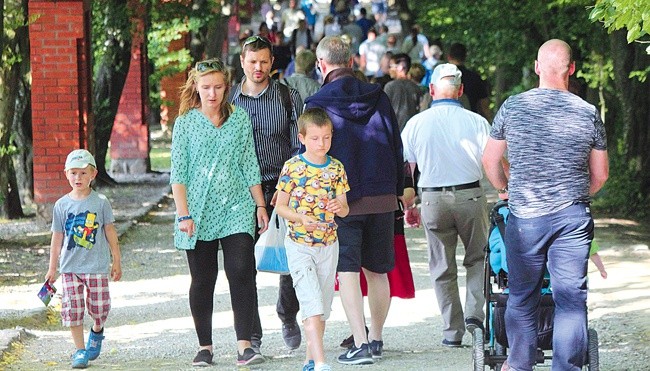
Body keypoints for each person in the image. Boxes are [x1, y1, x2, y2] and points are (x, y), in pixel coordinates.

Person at [482, 39, 609, 371]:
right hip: (572, 219)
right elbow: (601, 174)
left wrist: (503, 189)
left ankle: (520, 364)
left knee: (522, 297)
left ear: (537, 68)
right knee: (571, 301)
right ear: (571, 69)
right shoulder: (588, 113)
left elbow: (491, 159)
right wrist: (578, 193)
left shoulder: (512, 107)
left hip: (525, 218)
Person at [305, 35, 404, 365]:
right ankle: (376, 338)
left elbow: (315, 152)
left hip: (341, 199)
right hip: (381, 195)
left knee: (347, 270)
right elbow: (395, 143)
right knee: (378, 270)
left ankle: (360, 343)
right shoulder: (380, 96)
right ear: (352, 61)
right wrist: (399, 188)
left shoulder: (317, 102)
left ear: (322, 64)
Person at [170, 58, 269, 367]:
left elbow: (249, 163)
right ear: (196, 88)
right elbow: (178, 173)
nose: (211, 94)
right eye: (205, 88)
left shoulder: (239, 118)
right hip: (197, 211)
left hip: (237, 207)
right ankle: (205, 347)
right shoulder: (185, 123)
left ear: (227, 87)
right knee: (203, 280)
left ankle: (245, 346)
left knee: (241, 271)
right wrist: (183, 214)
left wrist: (260, 205)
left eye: (217, 87)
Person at [401, 63, 490, 347]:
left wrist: (409, 205)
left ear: (431, 90)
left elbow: (407, 169)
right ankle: (475, 317)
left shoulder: (416, 123)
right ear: (461, 91)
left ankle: (452, 331)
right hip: (471, 197)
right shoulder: (477, 122)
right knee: (478, 258)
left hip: (432, 199)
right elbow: (492, 162)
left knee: (441, 266)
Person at [229, 35, 304, 352]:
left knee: (289, 259)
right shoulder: (228, 101)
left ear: (272, 63)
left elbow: (301, 146)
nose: (258, 68)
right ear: (242, 63)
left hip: (282, 188)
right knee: (243, 264)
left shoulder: (288, 97)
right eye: (252, 62)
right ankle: (252, 333)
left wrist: (288, 188)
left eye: (263, 61)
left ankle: (288, 315)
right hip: (241, 192)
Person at [275, 108, 350, 371]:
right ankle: (320, 363)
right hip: (299, 244)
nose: (322, 144)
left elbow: (345, 206)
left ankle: (309, 360)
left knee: (323, 307)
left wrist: (338, 208)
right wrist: (299, 218)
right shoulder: (293, 167)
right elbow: (280, 207)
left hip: (329, 244)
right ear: (302, 138)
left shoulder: (337, 168)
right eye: (316, 138)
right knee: (311, 303)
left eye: (327, 138)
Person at [45, 149, 122, 369]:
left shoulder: (100, 202)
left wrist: (116, 260)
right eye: (73, 173)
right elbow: (57, 238)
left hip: (96, 266)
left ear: (93, 174)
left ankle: (97, 331)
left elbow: (110, 232)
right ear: (66, 174)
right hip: (70, 268)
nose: (78, 178)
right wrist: (52, 268)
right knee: (73, 308)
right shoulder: (61, 205)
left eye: (83, 173)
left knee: (100, 308)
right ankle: (80, 350)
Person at [446, 43, 492, 121]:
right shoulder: (475, 78)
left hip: (446, 120)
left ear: (449, 57)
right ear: (465, 57)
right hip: (470, 121)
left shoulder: (442, 78)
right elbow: (484, 107)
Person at [384, 53, 423, 131]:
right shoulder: (416, 88)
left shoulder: (390, 86)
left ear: (401, 67)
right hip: (412, 130)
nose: (389, 70)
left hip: (394, 131)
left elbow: (384, 110)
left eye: (391, 66)